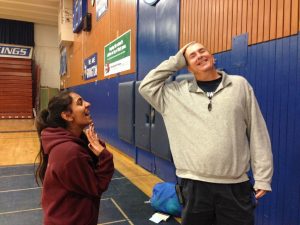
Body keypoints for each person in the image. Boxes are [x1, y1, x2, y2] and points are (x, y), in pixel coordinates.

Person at [139, 42, 273, 225]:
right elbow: (146, 86)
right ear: (185, 65)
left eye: (202, 51)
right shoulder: (174, 94)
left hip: (235, 187)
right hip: (194, 187)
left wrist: (263, 176)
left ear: (212, 56)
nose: (199, 56)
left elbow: (258, 132)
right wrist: (176, 60)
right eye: (192, 55)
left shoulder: (239, 85)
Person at [35, 90, 114, 225]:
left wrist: (96, 147)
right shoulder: (69, 152)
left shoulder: (70, 143)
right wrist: (105, 157)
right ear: (67, 115)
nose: (88, 104)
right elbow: (96, 187)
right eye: (80, 103)